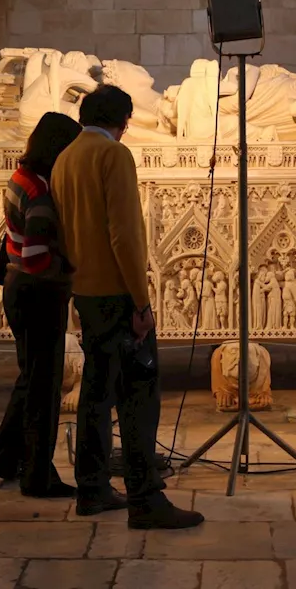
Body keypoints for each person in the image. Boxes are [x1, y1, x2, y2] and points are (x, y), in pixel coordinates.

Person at [51, 85, 205, 530]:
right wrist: (141, 300)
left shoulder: (65, 158)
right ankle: (145, 498)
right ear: (123, 121)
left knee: (96, 395)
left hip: (85, 291)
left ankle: (92, 489)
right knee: (139, 395)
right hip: (117, 294)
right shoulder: (113, 156)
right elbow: (124, 235)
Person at [0, 112, 84, 498]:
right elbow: (39, 258)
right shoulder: (39, 191)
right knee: (44, 388)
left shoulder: (21, 178)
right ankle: (38, 475)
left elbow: (13, 247)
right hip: (39, 294)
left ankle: (3, 459)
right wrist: (73, 270)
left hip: (20, 291)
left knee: (30, 381)